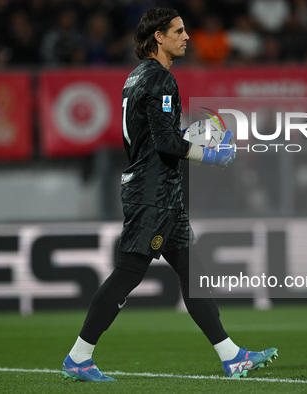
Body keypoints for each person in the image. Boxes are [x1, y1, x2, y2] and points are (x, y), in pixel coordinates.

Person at [61, 7, 277, 382]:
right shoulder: (161, 79)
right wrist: (209, 153)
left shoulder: (135, 78)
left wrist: (189, 137)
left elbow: (156, 136)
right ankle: (79, 357)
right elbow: (164, 142)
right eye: (178, 31)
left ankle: (232, 356)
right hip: (153, 191)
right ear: (158, 37)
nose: (186, 37)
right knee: (128, 272)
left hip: (161, 190)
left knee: (193, 273)